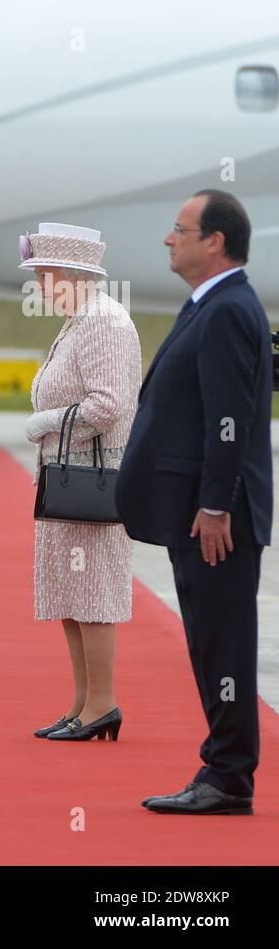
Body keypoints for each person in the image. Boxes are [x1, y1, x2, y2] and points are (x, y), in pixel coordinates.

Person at [118, 190, 272, 815]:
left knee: (222, 643)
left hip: (216, 520)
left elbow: (228, 421)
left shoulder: (228, 309)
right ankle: (224, 770)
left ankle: (229, 776)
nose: (167, 238)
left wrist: (215, 506)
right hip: (200, 513)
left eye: (179, 230)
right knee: (211, 643)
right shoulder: (209, 305)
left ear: (215, 241)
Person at [19, 223, 141, 742]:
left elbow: (108, 406)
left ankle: (102, 704)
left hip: (91, 477)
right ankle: (83, 703)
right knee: (73, 595)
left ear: (72, 275)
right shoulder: (82, 319)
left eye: (43, 275)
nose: (39, 286)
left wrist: (46, 422)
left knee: (92, 597)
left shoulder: (103, 323)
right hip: (68, 477)